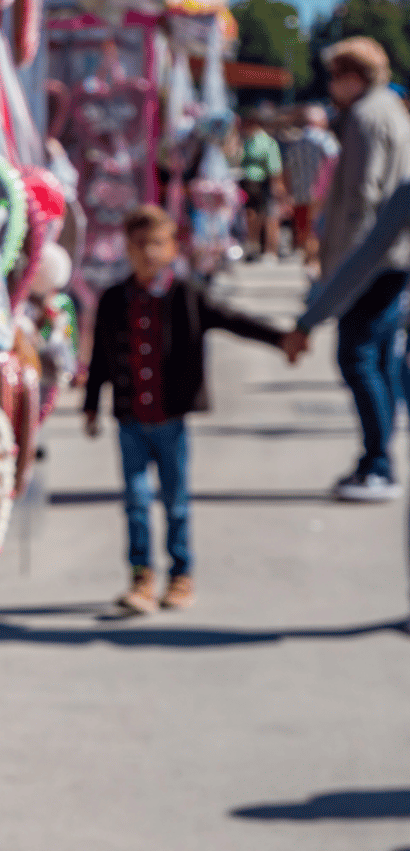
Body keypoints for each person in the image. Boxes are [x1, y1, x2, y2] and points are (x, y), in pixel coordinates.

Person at [84, 205, 295, 614]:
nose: (148, 252)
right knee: (136, 500)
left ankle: (181, 575)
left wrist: (281, 338)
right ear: (126, 248)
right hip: (129, 421)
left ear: (172, 248)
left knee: (176, 501)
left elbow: (233, 320)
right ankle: (141, 578)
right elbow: (100, 361)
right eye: (139, 244)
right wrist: (92, 405)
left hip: (171, 420)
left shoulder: (187, 296)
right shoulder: (113, 300)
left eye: (157, 244)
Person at [310, 36, 410, 501]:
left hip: (372, 260)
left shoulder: (365, 117)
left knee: (357, 357)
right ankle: (380, 455)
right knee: (380, 356)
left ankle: (378, 460)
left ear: (353, 77)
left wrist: (341, 275)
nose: (331, 87)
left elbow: (362, 202)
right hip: (393, 258)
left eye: (335, 77)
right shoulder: (391, 110)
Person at [282, 104, 339, 270]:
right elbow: (335, 164)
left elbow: (287, 169)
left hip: (299, 192)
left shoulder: (296, 141)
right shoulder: (326, 141)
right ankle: (314, 261)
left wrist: (288, 191)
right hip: (321, 193)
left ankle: (308, 259)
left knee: (304, 228)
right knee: (317, 228)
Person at [239, 109, 284, 261]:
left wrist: (276, 186)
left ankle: (269, 250)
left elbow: (274, 168)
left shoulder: (267, 142)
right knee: (252, 215)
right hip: (249, 184)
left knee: (267, 216)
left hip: (262, 184)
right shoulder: (247, 140)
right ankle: (254, 245)